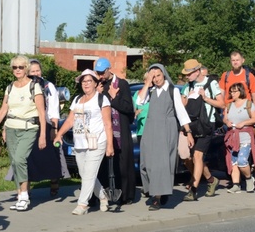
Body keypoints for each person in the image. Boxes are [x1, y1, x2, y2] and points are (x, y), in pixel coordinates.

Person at [0, 55, 47, 212]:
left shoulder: (34, 86)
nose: (17, 70)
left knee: (20, 159)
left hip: (29, 127)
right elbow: (4, 108)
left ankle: (24, 196)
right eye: (15, 67)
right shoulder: (10, 87)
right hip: (11, 128)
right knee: (14, 162)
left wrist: (43, 135)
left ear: (26, 68)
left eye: (21, 67)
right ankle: (20, 193)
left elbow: (42, 112)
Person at [53, 69, 114, 215]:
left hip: (97, 141)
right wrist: (59, 135)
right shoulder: (77, 99)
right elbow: (70, 120)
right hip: (80, 142)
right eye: (83, 81)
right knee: (85, 173)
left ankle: (83, 204)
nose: (86, 84)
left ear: (95, 83)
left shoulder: (102, 99)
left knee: (89, 173)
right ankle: (102, 196)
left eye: (89, 81)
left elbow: (108, 124)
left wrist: (110, 145)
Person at [136, 63, 193, 210]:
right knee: (146, 163)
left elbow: (181, 112)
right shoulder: (151, 90)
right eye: (153, 76)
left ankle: (157, 197)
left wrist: (189, 132)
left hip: (166, 129)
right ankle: (158, 189)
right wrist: (147, 83)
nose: (156, 79)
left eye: (158, 75)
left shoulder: (172, 90)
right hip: (150, 129)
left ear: (164, 74)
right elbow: (139, 101)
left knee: (161, 164)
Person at [22, 59, 69, 196]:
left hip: (47, 123)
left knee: (51, 155)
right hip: (29, 124)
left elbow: (54, 109)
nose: (36, 73)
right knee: (28, 156)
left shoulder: (49, 86)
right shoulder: (24, 86)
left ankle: (54, 180)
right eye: (33, 71)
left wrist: (54, 129)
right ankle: (26, 188)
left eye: (38, 70)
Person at [180, 59, 224, 201]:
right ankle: (211, 180)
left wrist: (205, 98)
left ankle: (193, 189)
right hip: (191, 126)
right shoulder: (187, 86)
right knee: (187, 158)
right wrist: (187, 97)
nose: (187, 77)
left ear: (197, 71)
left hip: (206, 125)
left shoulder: (211, 83)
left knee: (198, 156)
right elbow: (182, 107)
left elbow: (222, 104)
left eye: (189, 73)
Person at [95, 57, 136, 206]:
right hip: (105, 131)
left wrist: (113, 98)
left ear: (108, 69)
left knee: (123, 163)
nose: (100, 76)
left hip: (121, 130)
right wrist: (97, 95)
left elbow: (128, 109)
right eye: (97, 73)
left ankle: (126, 195)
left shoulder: (122, 84)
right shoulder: (99, 85)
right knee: (105, 164)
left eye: (102, 72)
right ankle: (105, 194)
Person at [223, 83, 255, 193]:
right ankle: (236, 185)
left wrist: (243, 123)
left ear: (241, 92)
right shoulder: (229, 106)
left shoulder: (249, 104)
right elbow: (225, 118)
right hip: (232, 137)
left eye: (235, 91)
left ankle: (249, 179)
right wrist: (227, 122)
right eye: (231, 91)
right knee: (233, 161)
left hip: (245, 136)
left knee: (242, 160)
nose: (232, 94)